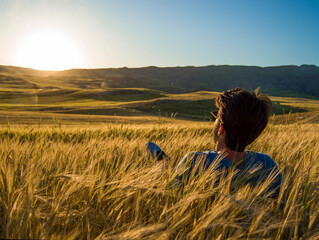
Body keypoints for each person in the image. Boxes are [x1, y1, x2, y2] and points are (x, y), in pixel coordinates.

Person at [147, 87, 282, 197]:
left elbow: (170, 197)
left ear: (221, 128)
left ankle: (167, 165)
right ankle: (170, 165)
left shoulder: (195, 161)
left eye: (216, 116)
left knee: (150, 147)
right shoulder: (267, 165)